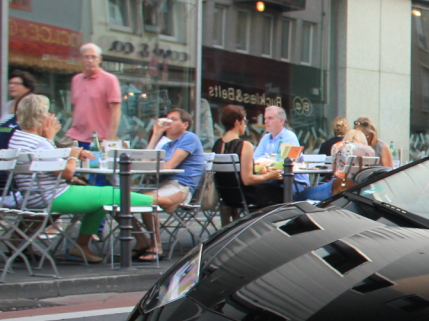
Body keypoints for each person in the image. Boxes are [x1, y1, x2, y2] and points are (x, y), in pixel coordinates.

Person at [6, 95, 154, 264]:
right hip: (51, 196)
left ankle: (81, 246)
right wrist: (74, 153)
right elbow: (67, 173)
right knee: (109, 193)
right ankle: (158, 200)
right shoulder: (40, 143)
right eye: (48, 112)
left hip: (30, 196)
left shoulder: (17, 138)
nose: (51, 116)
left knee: (100, 201)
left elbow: (46, 165)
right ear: (41, 116)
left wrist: (56, 144)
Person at [130, 109, 206, 261]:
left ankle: (156, 246)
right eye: (167, 119)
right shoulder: (167, 145)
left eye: (173, 119)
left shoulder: (189, 137)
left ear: (185, 124)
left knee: (145, 201)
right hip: (164, 185)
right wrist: (156, 134)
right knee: (119, 199)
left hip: (181, 187)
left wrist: (155, 168)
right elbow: (144, 165)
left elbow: (170, 165)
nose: (168, 122)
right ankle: (142, 240)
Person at [211, 104, 282, 226]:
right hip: (245, 196)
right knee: (283, 191)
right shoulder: (244, 145)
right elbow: (248, 180)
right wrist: (271, 176)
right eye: (244, 120)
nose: (245, 124)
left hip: (226, 196)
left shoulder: (217, 144)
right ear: (237, 122)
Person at [67, 43, 122, 146]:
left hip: (99, 139)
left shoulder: (109, 80)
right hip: (77, 138)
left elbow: (116, 112)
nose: (90, 60)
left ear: (100, 59)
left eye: (93, 57)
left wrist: (110, 141)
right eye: (86, 57)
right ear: (80, 59)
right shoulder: (76, 79)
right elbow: (76, 109)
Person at [299, 129, 376, 202]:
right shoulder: (370, 150)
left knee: (301, 196)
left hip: (338, 187)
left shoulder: (338, 146)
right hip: (361, 187)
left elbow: (334, 169)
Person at [256, 105, 307, 201]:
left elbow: (287, 162)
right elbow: (256, 159)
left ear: (281, 121)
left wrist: (265, 161)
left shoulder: (289, 137)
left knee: (260, 191)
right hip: (271, 180)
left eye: (270, 118)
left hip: (293, 183)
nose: (266, 121)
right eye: (265, 118)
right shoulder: (265, 138)